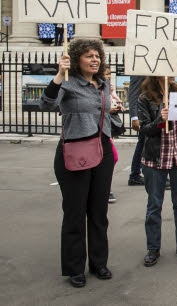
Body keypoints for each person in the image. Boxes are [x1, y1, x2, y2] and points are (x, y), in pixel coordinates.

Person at [39, 39, 114, 288]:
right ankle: (74, 268)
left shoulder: (103, 85)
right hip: (75, 152)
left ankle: (98, 262)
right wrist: (60, 74)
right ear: (76, 58)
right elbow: (46, 104)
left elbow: (101, 114)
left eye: (97, 56)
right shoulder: (68, 83)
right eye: (88, 56)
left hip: (101, 151)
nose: (94, 59)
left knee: (98, 212)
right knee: (74, 213)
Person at [138, 76, 177, 267]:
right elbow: (144, 130)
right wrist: (159, 120)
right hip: (155, 159)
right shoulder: (145, 98)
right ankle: (153, 248)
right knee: (154, 205)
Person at [103, 66, 125, 204]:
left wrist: (117, 104)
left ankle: (105, 188)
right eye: (106, 74)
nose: (109, 76)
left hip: (105, 129)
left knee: (111, 158)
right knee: (111, 158)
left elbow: (113, 96)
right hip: (96, 130)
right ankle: (104, 189)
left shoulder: (107, 86)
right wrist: (107, 110)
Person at [127, 75, 145, 186]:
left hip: (157, 113)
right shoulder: (140, 71)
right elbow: (133, 94)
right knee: (143, 144)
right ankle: (135, 174)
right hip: (145, 115)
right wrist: (134, 117)